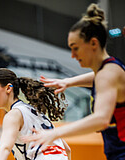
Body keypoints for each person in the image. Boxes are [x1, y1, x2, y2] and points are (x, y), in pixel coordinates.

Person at [23, 3, 125, 160]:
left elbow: (101, 119)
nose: (72, 55)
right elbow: (96, 78)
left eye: (75, 48)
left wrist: (55, 133)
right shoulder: (108, 70)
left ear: (93, 43)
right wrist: (67, 82)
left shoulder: (107, 75)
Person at [0, 68, 71, 160]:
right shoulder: (36, 112)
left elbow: (5, 148)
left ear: (8, 88)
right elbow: (67, 149)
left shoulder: (13, 115)